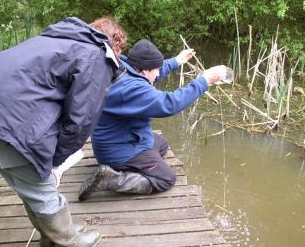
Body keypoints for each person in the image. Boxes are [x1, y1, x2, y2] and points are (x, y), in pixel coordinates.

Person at [0, 16, 127, 247]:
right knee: (40, 184)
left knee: (28, 183)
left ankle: (53, 235)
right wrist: (54, 161)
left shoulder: (58, 38)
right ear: (116, 45)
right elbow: (80, 121)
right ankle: (67, 241)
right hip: (7, 119)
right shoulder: (96, 54)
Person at [78, 38, 233, 201]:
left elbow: (152, 73)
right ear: (145, 71)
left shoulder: (125, 67)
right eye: (156, 70)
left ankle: (133, 165)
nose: (159, 73)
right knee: (166, 179)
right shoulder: (131, 89)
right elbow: (170, 104)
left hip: (118, 138)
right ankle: (113, 179)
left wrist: (177, 60)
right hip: (116, 150)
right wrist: (205, 80)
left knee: (162, 144)